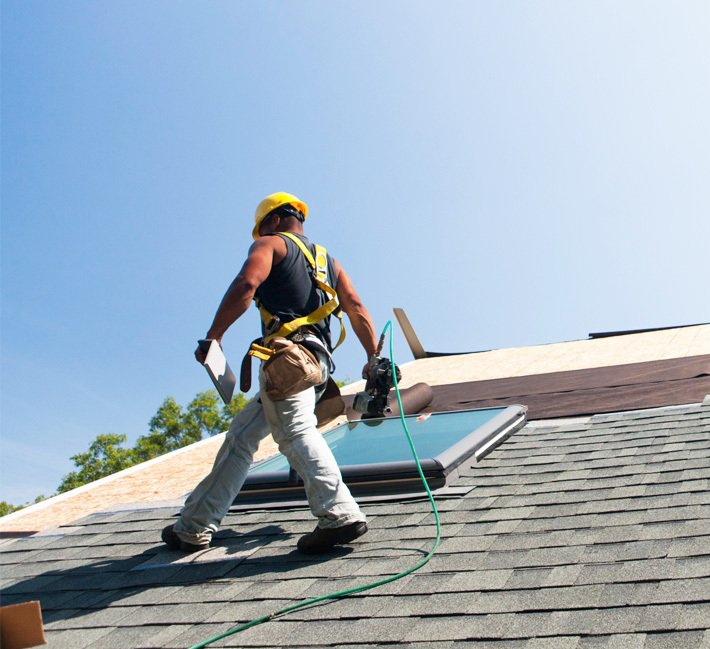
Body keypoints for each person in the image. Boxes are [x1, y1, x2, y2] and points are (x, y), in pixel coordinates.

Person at [161, 192, 379, 554]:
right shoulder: (330, 262)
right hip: (317, 364)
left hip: (288, 360)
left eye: (260, 227)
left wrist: (214, 337)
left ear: (275, 220)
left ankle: (339, 513)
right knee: (242, 435)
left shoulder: (270, 244)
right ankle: (193, 525)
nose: (258, 234)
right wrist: (373, 356)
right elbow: (356, 307)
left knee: (294, 431)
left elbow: (247, 285)